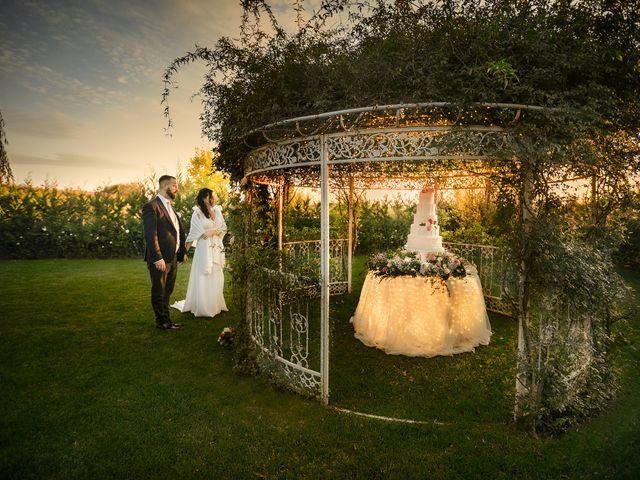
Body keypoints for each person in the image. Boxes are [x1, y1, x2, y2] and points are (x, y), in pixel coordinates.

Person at [171, 188, 228, 317]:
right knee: (205, 273)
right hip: (204, 248)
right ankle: (203, 306)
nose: (213, 199)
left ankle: (216, 305)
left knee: (216, 273)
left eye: (213, 197)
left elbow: (223, 228)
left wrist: (212, 232)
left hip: (216, 246)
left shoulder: (217, 211)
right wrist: (184, 252)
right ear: (204, 198)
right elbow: (193, 233)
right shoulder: (197, 213)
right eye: (210, 197)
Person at [142, 175, 188, 330]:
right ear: (164, 186)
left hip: (172, 257)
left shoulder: (170, 206)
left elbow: (176, 231)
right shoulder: (151, 206)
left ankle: (167, 319)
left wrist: (181, 253)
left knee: (167, 291)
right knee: (159, 290)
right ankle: (162, 322)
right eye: (174, 185)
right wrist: (157, 258)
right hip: (160, 259)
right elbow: (151, 234)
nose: (177, 189)